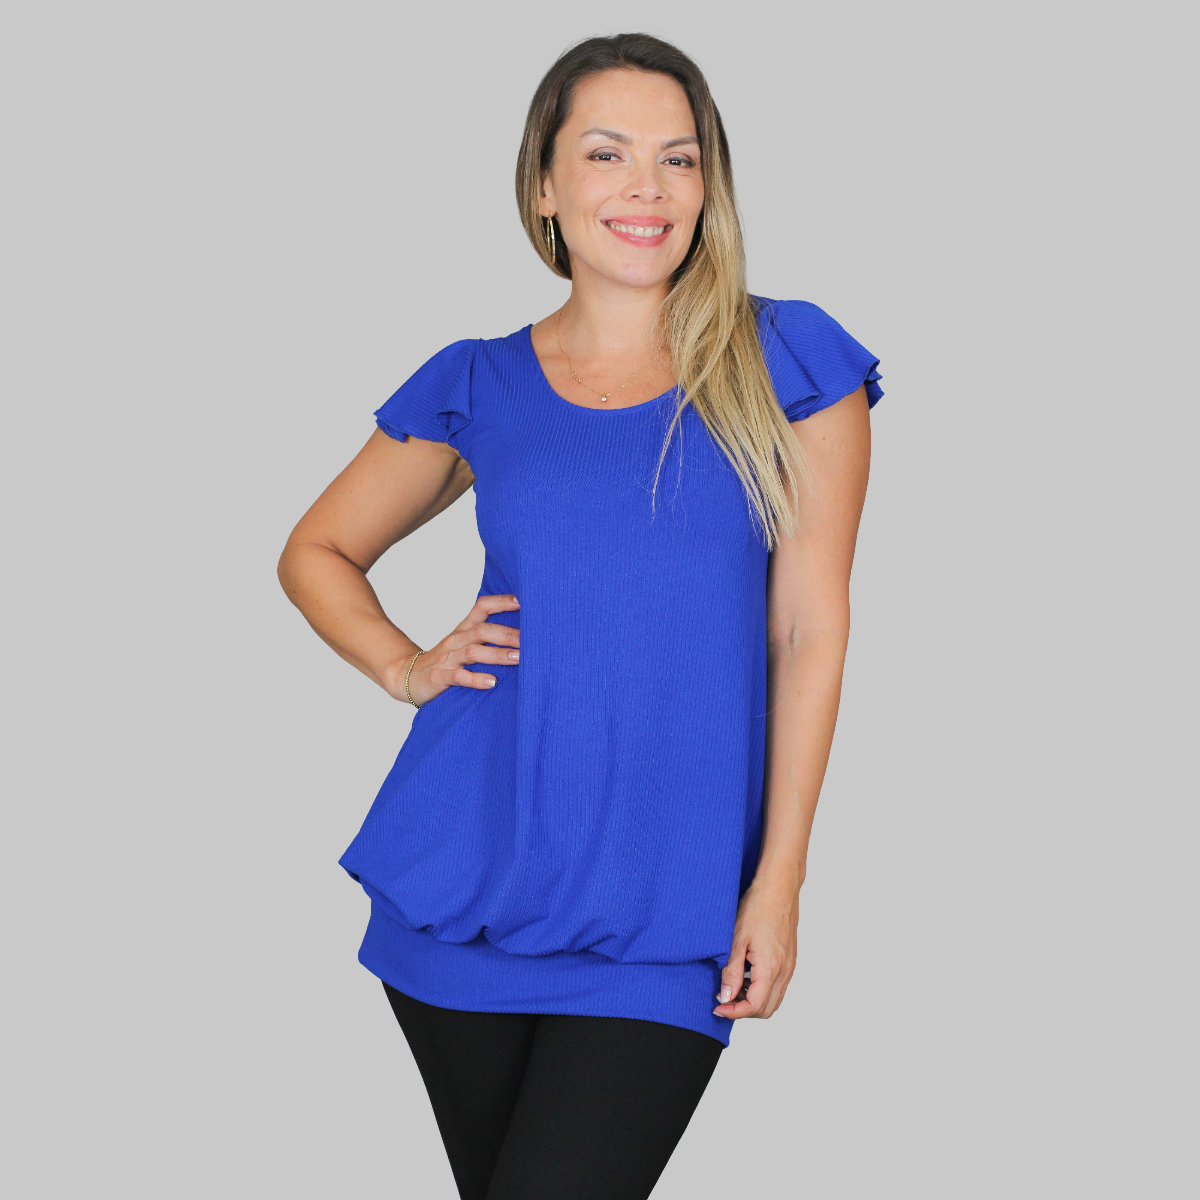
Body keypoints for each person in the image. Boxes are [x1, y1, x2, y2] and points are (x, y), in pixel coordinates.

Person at [278, 32, 882, 1200]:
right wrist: (406, 666)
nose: (646, 187)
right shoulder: (477, 382)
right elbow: (317, 550)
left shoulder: (790, 360)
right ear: (545, 186)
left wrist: (780, 880)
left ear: (708, 185)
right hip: (467, 884)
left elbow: (809, 629)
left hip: (667, 903)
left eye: (678, 158)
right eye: (606, 154)